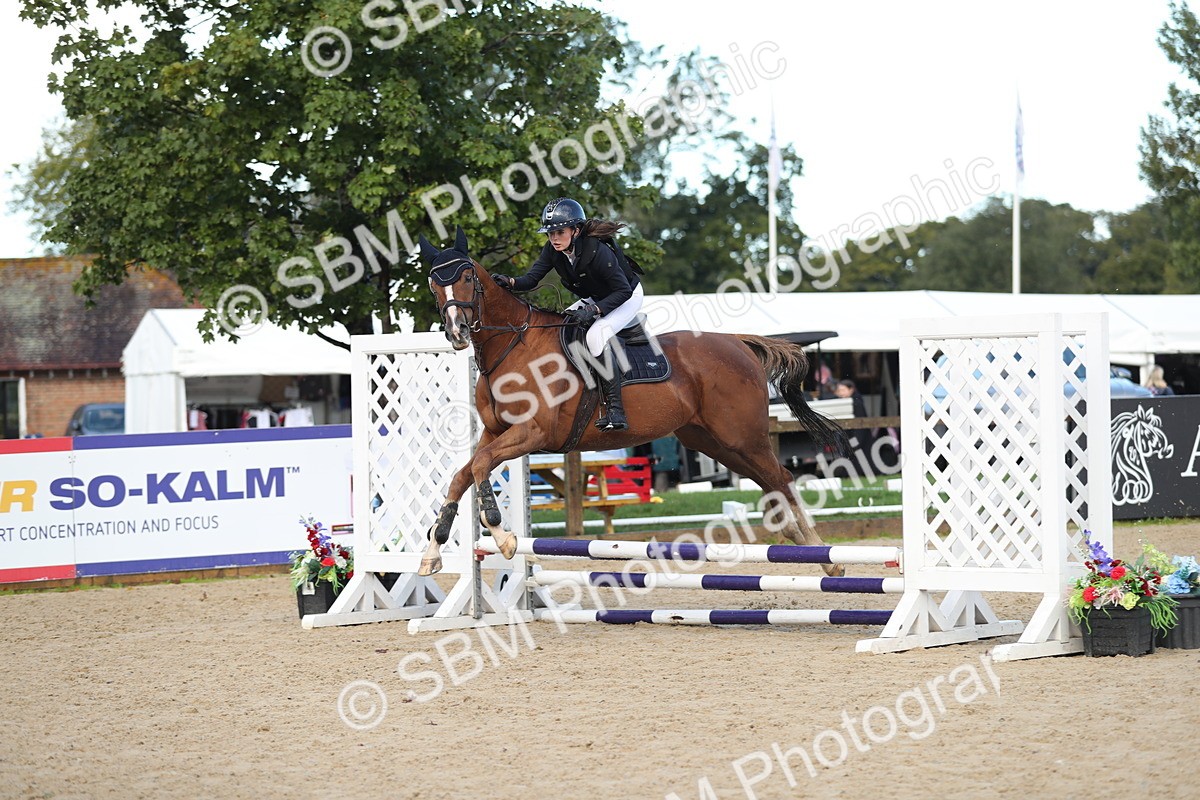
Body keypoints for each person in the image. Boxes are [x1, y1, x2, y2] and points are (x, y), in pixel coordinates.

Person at [492, 197, 643, 431]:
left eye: (559, 232)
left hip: (627, 295)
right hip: (597, 295)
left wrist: (594, 310)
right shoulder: (553, 251)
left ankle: (616, 411)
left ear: (576, 230)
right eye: (550, 233)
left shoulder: (598, 252)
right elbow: (532, 279)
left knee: (596, 336)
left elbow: (622, 290)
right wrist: (509, 281)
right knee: (562, 324)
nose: (554, 239)